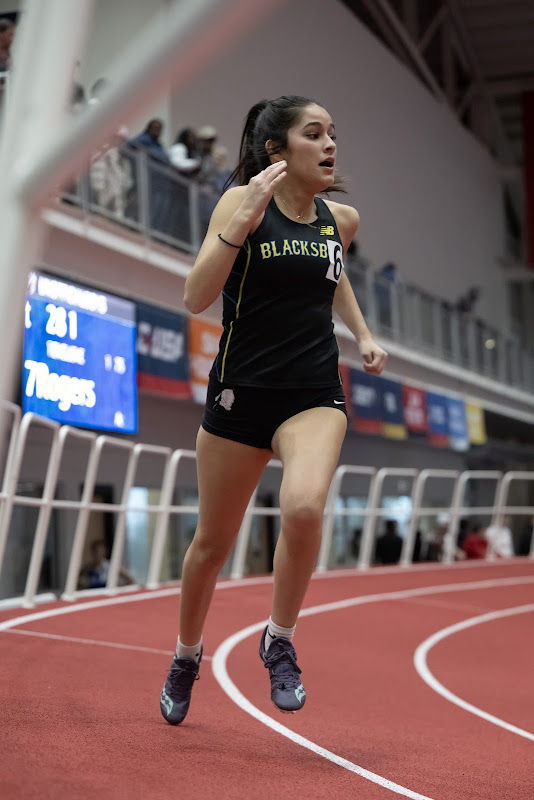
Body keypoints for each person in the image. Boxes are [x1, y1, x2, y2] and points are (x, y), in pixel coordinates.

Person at [159, 95, 388, 725]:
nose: (330, 143)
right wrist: (245, 217)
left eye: (333, 133)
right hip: (240, 394)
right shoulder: (240, 204)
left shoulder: (341, 219)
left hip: (313, 393)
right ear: (277, 151)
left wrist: (363, 335)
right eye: (314, 134)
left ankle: (278, 638)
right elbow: (195, 296)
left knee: (306, 506)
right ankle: (186, 655)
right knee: (212, 545)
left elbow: (334, 276)